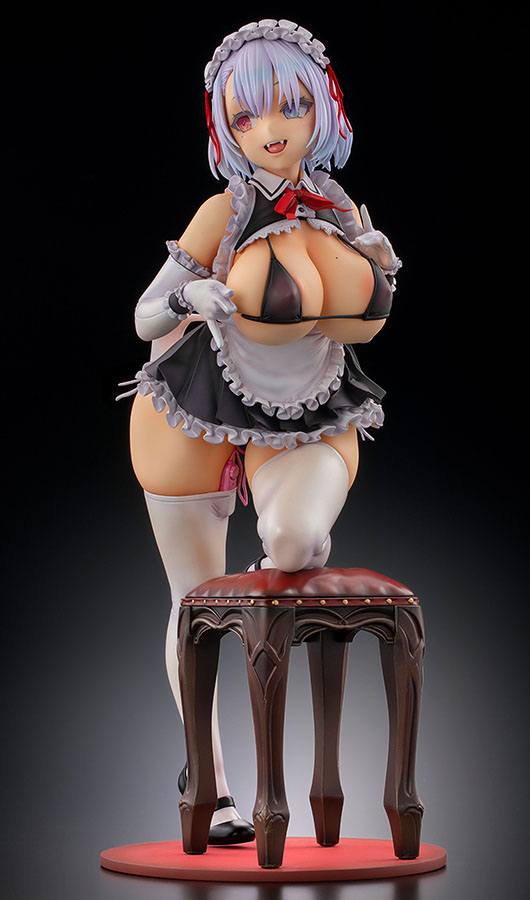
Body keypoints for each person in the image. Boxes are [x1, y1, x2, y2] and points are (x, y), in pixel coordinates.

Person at [116, 18, 402, 845]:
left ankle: (261, 580)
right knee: (191, 605)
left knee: (296, 543)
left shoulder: (342, 211)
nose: (270, 130)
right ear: (225, 128)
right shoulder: (225, 210)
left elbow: (362, 311)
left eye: (288, 107)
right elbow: (142, 316)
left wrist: (380, 265)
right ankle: (210, 782)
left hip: (307, 411)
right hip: (194, 408)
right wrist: (189, 298)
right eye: (245, 116)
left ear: (322, 107)